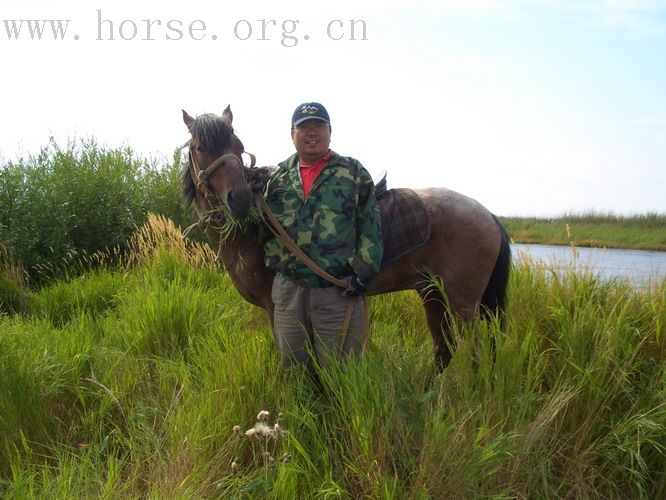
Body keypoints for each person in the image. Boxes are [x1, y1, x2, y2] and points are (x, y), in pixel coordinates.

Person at [261, 102, 383, 370]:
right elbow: (262, 229)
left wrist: (362, 273)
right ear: (291, 133)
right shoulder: (276, 178)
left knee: (341, 369)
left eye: (318, 126)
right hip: (289, 290)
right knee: (293, 368)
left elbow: (370, 227)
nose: (311, 132)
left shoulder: (353, 172)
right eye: (304, 127)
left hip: (336, 290)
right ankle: (298, 413)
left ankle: (344, 413)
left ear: (330, 132)